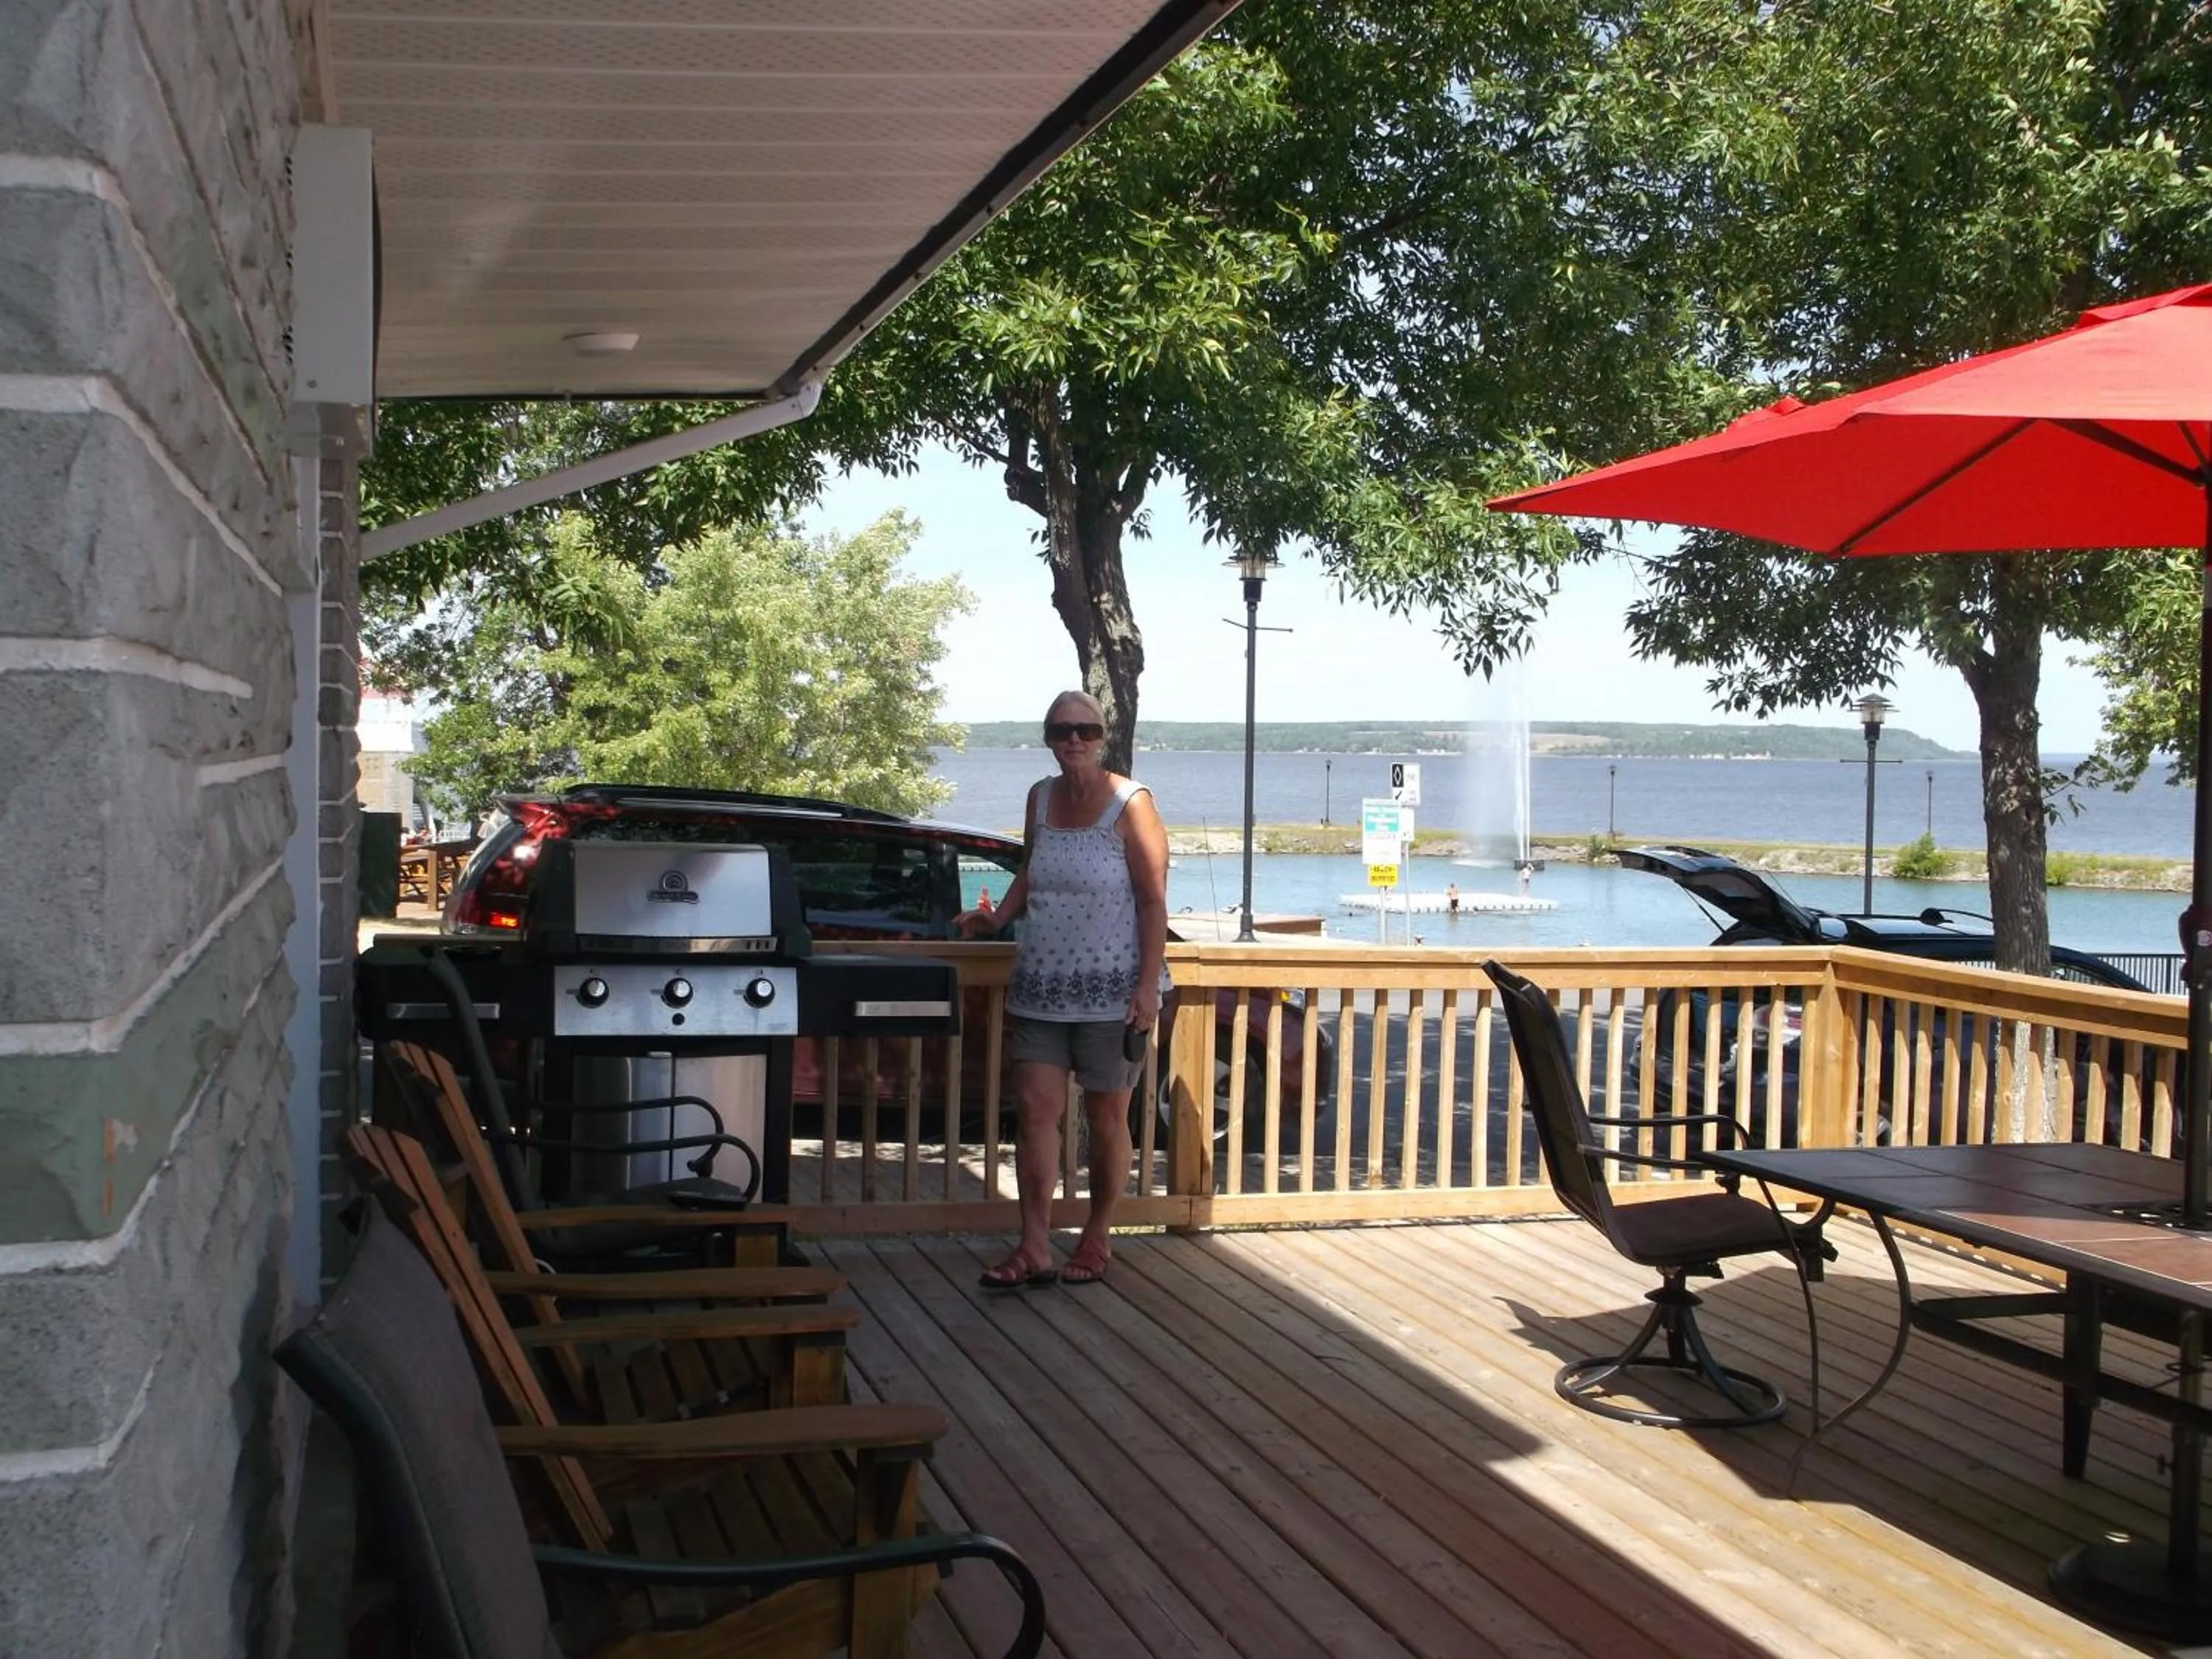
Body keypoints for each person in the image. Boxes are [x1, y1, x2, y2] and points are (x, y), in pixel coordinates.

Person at [953, 690, 1169, 1289]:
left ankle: (1097, 1238)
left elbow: (1153, 901)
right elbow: (1030, 867)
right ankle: (1033, 1247)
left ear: (1103, 736)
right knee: (1035, 1113)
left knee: (1106, 1116)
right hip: (1042, 985)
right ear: (1048, 738)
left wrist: (1148, 985)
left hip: (1114, 990)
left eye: (1085, 729)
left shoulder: (1132, 803)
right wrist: (997, 920)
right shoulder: (1040, 798)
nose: (1073, 739)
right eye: (1060, 729)